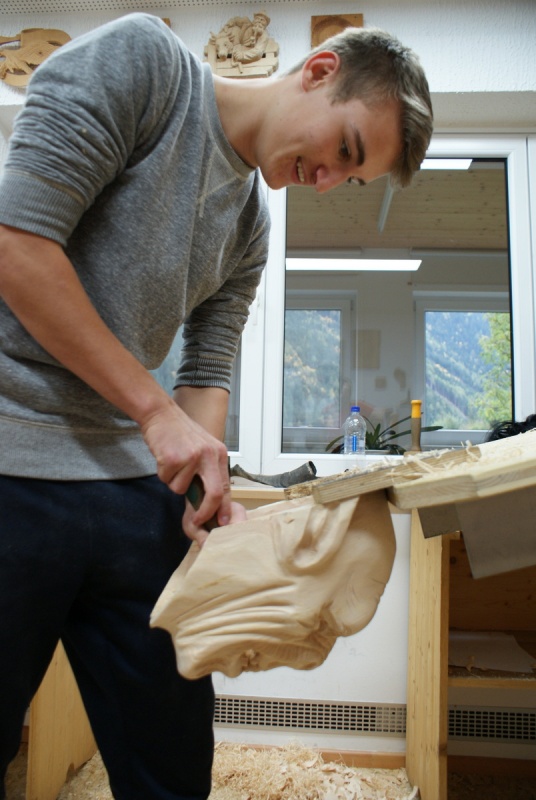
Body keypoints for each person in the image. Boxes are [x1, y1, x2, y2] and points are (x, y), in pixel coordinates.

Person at [0, 13, 432, 800]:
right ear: (320, 70)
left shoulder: (249, 225)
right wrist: (152, 412)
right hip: (11, 463)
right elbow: (17, 244)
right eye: (345, 149)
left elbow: (204, 371)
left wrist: (204, 487)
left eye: (349, 179)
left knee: (170, 767)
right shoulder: (145, 66)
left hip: (130, 494)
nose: (327, 180)